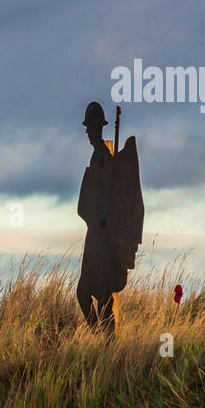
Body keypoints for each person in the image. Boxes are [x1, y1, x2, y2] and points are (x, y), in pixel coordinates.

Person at [76, 102, 143, 334]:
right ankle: (100, 337)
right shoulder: (99, 156)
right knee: (87, 293)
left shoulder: (104, 157)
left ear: (98, 128)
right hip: (95, 236)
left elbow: (109, 199)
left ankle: (105, 341)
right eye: (87, 128)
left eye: (91, 127)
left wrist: (103, 221)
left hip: (102, 240)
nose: (88, 132)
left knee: (99, 296)